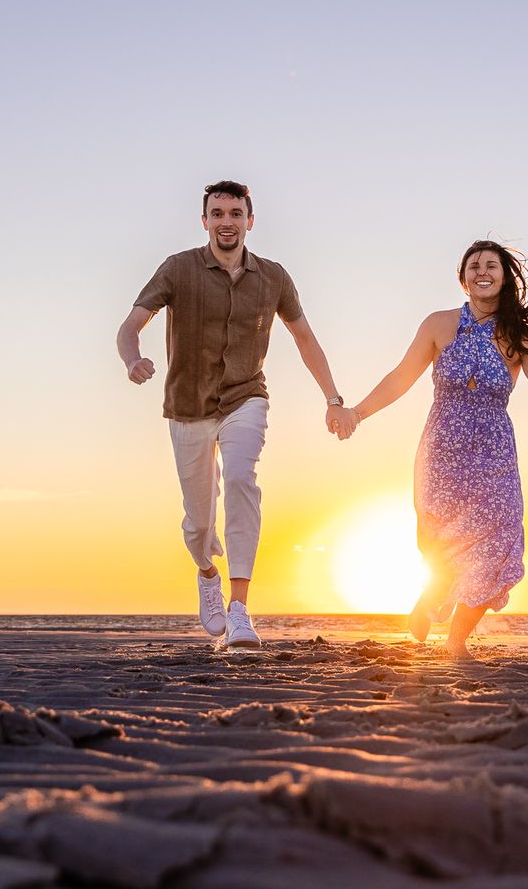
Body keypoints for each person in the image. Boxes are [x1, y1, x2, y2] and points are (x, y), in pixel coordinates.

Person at [117, 180, 356, 648]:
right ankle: (208, 573)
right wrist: (132, 360)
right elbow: (130, 325)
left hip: (246, 396)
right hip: (187, 406)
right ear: (204, 221)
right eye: (218, 213)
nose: (227, 222)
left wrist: (333, 398)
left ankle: (241, 609)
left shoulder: (274, 278)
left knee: (243, 478)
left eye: (235, 213)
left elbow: (305, 339)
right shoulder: (178, 269)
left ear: (250, 220)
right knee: (198, 522)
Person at [350, 240, 528, 659]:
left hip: (493, 453)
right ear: (462, 277)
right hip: (443, 449)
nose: (482, 271)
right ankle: (434, 590)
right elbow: (400, 378)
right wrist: (357, 413)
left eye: (491, 265)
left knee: (501, 539)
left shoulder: (522, 336)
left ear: (505, 276)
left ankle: (456, 641)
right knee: (443, 538)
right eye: (473, 266)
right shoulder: (438, 324)